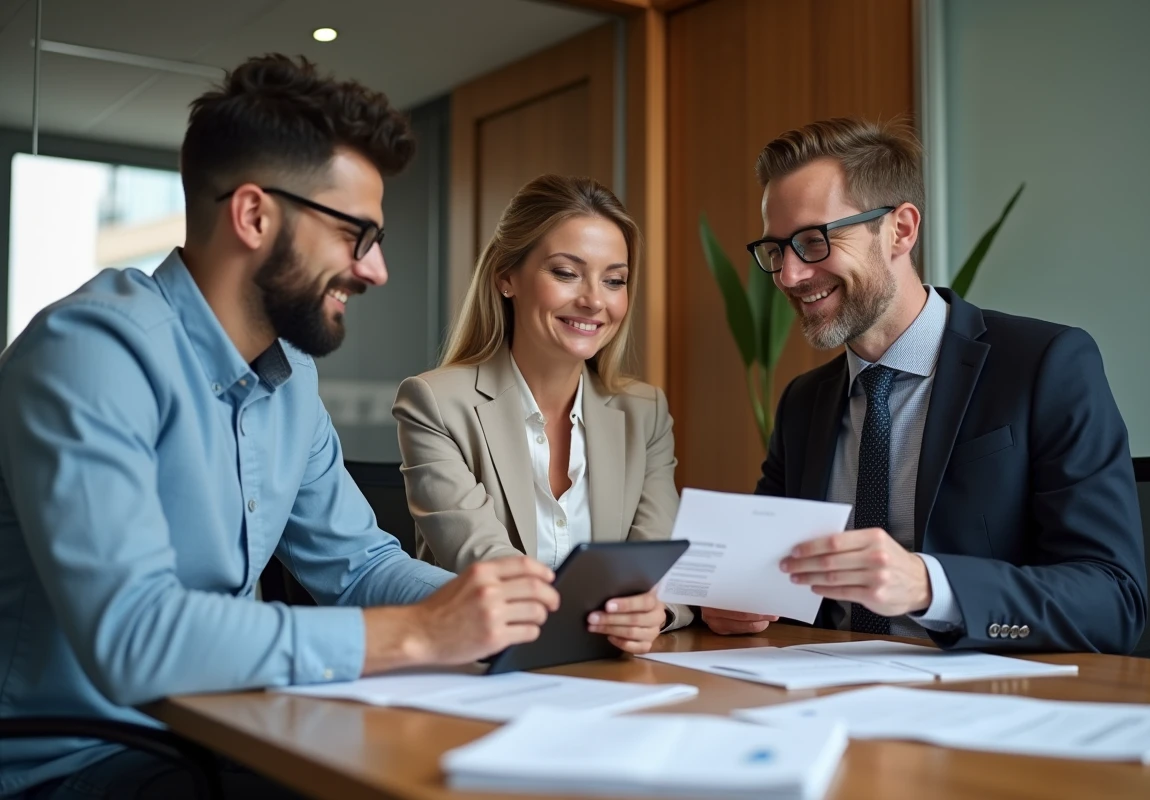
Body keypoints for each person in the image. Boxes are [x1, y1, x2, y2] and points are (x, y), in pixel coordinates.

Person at [0, 55, 558, 799]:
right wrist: (422, 635)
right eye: (356, 234)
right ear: (255, 215)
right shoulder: (90, 352)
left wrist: (517, 609)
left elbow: (357, 566)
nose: (376, 269)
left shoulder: (290, 378)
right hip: (79, 763)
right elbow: (133, 638)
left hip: (231, 731)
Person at [700, 118, 1147, 653]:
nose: (790, 276)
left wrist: (930, 585)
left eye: (814, 242)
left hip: (984, 702)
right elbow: (761, 579)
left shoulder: (1046, 365)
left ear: (901, 230)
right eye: (776, 251)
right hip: (821, 697)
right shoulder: (805, 401)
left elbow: (1114, 600)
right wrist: (732, 598)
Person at [393, 174, 691, 655]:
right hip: (480, 672)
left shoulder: (645, 413)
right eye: (566, 272)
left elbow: (660, 571)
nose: (595, 299)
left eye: (614, 280)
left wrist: (655, 610)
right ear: (506, 277)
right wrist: (617, 606)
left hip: (611, 676)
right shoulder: (434, 403)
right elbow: (488, 567)